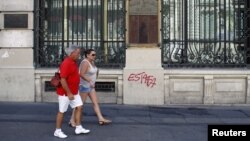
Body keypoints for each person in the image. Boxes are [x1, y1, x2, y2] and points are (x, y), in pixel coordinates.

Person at [54, 44, 90, 139]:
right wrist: (69, 93)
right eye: (78, 53)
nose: (79, 55)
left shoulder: (73, 62)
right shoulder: (66, 63)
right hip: (65, 93)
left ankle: (78, 127)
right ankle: (57, 131)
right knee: (62, 111)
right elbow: (63, 79)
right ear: (71, 53)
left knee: (79, 107)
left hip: (74, 92)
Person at [69, 49, 112, 126]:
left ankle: (101, 119)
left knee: (95, 103)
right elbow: (81, 74)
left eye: (95, 54)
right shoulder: (85, 62)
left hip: (90, 86)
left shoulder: (92, 62)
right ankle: (72, 120)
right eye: (93, 55)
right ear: (87, 55)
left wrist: (93, 79)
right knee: (79, 105)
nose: (94, 56)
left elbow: (94, 72)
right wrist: (90, 81)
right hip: (84, 86)